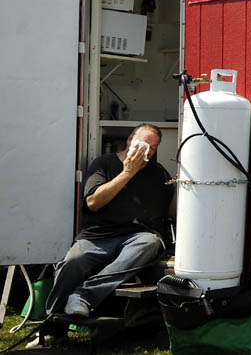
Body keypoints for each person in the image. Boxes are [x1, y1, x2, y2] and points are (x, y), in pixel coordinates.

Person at [44, 123, 176, 320]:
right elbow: (93, 203)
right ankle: (52, 322)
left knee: (149, 243)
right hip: (98, 236)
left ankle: (84, 296)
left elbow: (171, 212)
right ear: (130, 140)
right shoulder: (104, 163)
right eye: (142, 144)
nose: (146, 151)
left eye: (153, 147)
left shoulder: (157, 172)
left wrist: (183, 188)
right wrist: (127, 173)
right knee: (74, 262)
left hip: (136, 236)